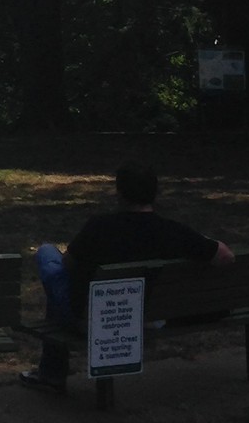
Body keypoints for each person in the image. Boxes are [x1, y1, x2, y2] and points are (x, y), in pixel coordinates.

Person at [22, 160, 235, 392]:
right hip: (150, 318)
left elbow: (68, 265)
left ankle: (52, 374)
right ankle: (51, 374)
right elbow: (226, 256)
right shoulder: (172, 231)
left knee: (47, 254)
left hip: (93, 319)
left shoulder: (99, 228)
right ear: (155, 194)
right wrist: (199, 239)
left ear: (120, 193)